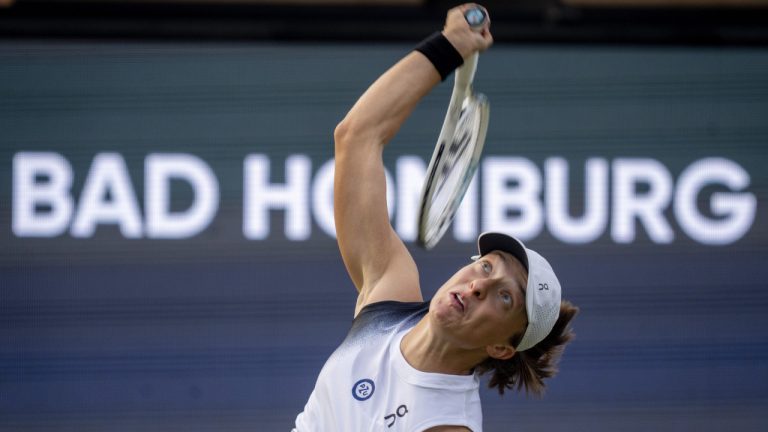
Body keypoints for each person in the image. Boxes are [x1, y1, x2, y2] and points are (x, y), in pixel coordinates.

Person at [293, 4, 578, 431]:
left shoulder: (445, 423)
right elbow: (356, 137)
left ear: (502, 348)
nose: (479, 285)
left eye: (504, 297)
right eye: (486, 267)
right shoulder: (387, 301)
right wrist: (448, 47)